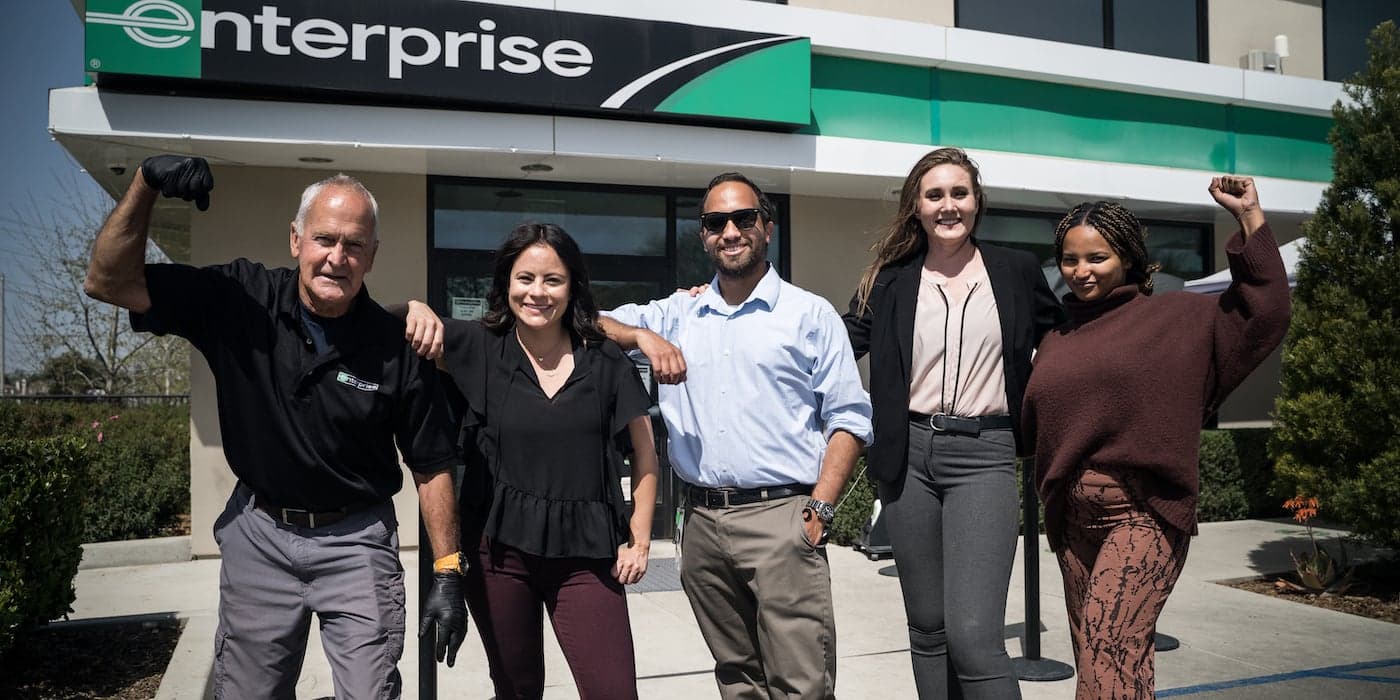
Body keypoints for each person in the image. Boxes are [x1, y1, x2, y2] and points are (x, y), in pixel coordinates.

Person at [83, 155, 468, 700]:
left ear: (372, 255)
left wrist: (449, 572)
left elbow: (432, 466)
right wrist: (145, 185)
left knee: (370, 692)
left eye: (355, 244)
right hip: (259, 535)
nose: (338, 257)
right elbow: (107, 280)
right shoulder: (239, 300)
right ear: (296, 240)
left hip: (356, 541)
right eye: (325, 239)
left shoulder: (396, 348)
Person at [600, 172, 873, 699]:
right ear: (703, 235)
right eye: (715, 222)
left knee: (801, 684)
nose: (730, 231)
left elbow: (850, 418)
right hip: (701, 523)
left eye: (743, 218)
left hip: (784, 519)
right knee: (738, 680)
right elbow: (578, 320)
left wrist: (821, 511)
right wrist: (640, 335)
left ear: (767, 228)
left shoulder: (809, 315)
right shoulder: (677, 312)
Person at [1022, 176, 1290, 698]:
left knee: (1106, 655)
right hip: (1072, 522)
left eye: (1096, 257)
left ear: (1127, 257)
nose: (1081, 271)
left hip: (1144, 514)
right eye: (1070, 260)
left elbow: (1266, 313)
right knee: (1116, 662)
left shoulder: (1181, 317)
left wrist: (1250, 218)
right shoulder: (1056, 337)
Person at [402, 222, 659, 699]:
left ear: (572, 287)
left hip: (588, 556)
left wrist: (639, 539)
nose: (537, 292)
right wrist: (413, 307)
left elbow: (645, 453)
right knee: (517, 690)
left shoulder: (606, 361)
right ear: (506, 284)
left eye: (552, 280)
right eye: (525, 279)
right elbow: (373, 320)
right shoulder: (478, 346)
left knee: (613, 691)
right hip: (499, 554)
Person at [842, 147, 1063, 699]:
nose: (948, 206)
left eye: (959, 193)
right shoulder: (890, 280)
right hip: (908, 458)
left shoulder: (1015, 270)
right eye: (935, 194)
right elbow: (836, 343)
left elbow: (1068, 342)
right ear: (915, 206)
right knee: (929, 630)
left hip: (985, 455)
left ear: (977, 201)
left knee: (973, 637)